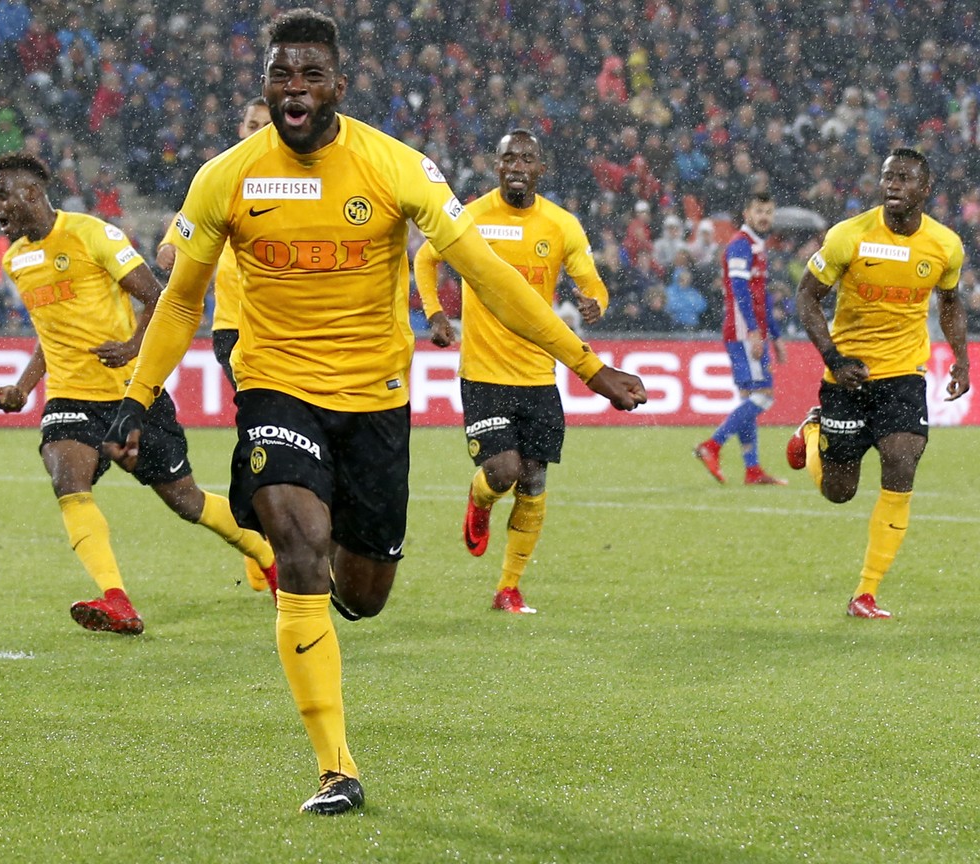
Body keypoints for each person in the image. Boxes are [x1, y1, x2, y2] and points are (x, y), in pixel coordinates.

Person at [101, 9, 646, 816]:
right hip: (276, 385)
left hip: (377, 404)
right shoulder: (225, 176)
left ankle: (334, 598)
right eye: (281, 74)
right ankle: (336, 767)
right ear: (265, 83)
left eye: (310, 76)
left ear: (338, 87)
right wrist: (138, 397)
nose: (294, 89)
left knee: (363, 590)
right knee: (297, 546)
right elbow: (181, 299)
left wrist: (588, 365)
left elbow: (492, 278)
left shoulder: (397, 169)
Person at [0, 153, 277, 636]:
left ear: (30, 194)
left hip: (131, 396)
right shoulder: (15, 260)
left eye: (0, 195)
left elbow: (158, 295)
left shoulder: (91, 234)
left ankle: (267, 556)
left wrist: (133, 346)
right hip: (71, 397)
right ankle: (116, 600)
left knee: (186, 502)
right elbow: (49, 333)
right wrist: (23, 386)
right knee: (67, 481)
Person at [413, 129, 608, 615]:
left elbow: (592, 282)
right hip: (483, 371)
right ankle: (480, 499)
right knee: (502, 472)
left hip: (539, 374)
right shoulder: (471, 216)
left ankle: (508, 588)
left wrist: (593, 302)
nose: (517, 165)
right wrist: (435, 312)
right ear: (495, 167)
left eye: (527, 158)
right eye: (508, 158)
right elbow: (424, 256)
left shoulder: (561, 225)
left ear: (540, 168)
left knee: (535, 481)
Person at [785, 148, 968, 619]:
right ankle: (812, 429)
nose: (893, 185)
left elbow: (950, 303)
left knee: (901, 460)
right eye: (888, 177)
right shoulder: (849, 236)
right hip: (848, 373)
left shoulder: (945, 246)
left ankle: (865, 593)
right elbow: (807, 297)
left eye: (904, 179)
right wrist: (832, 357)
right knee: (839, 491)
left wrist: (962, 362)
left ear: (925, 190)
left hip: (904, 373)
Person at [154, 97, 273, 389]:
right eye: (253, 125)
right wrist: (170, 244)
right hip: (232, 323)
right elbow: (190, 215)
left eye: (268, 126)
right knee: (260, 413)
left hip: (282, 323)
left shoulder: (302, 178)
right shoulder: (222, 177)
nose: (259, 133)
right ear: (241, 129)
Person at [694, 192, 789, 486]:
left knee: (749, 398)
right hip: (742, 333)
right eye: (759, 210)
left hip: (752, 331)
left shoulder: (757, 247)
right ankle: (712, 445)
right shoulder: (739, 246)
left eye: (769, 211)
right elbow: (740, 290)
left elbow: (763, 297)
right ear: (747, 213)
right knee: (764, 396)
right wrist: (753, 331)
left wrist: (776, 335)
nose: (765, 217)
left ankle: (752, 470)